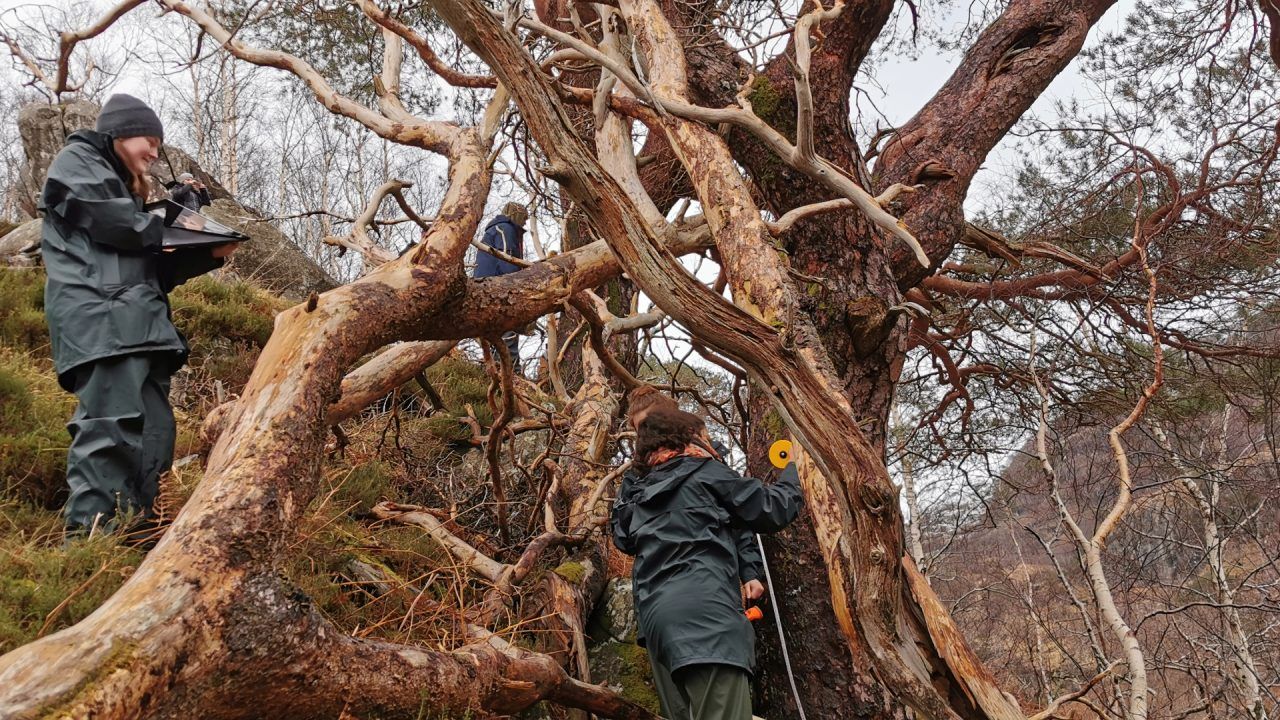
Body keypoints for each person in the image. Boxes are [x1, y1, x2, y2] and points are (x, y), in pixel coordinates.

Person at [39, 93, 237, 541]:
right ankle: (88, 551)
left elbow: (151, 270)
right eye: (148, 139)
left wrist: (209, 252)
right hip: (103, 326)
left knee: (153, 436)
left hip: (139, 328)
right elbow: (118, 222)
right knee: (110, 433)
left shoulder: (119, 188)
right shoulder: (78, 160)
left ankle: (134, 540)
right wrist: (170, 223)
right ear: (119, 133)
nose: (153, 152)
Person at [612, 398, 804, 720]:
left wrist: (748, 568)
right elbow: (772, 508)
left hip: (658, 624)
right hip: (707, 618)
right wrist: (793, 469)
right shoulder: (704, 471)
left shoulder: (639, 491)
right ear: (688, 437)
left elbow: (623, 538)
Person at [473, 202, 528, 371]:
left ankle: (493, 373)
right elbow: (507, 258)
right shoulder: (505, 229)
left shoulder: (498, 229)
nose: (525, 222)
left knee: (494, 334)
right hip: (497, 287)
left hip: (485, 286)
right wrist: (517, 286)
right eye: (524, 218)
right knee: (507, 329)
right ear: (516, 214)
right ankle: (511, 374)